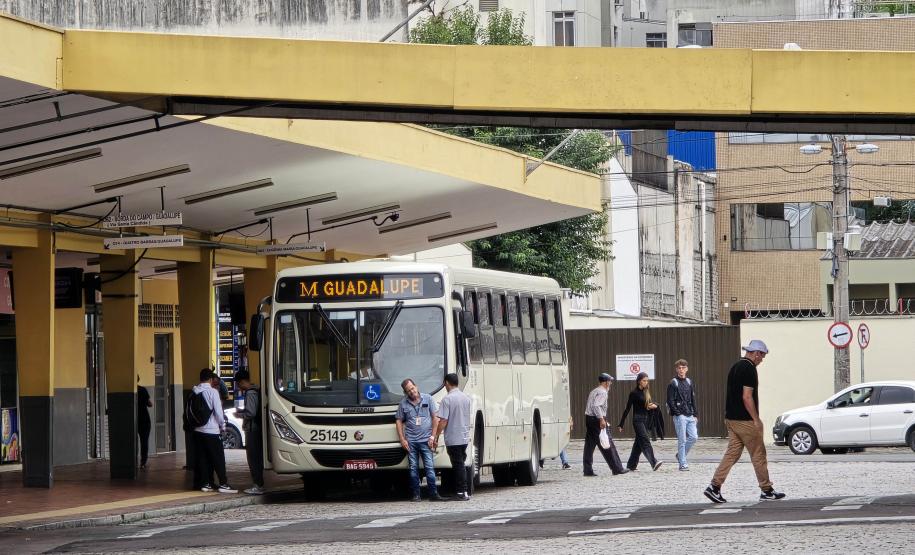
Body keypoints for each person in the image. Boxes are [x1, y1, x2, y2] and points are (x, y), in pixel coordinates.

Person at [704, 340, 786, 504]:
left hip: (731, 418)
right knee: (759, 454)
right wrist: (756, 419)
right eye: (762, 356)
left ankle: (714, 487)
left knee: (732, 454)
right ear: (756, 353)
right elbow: (747, 396)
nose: (762, 359)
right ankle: (767, 490)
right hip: (745, 420)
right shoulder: (749, 369)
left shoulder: (735, 366)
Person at [395, 378, 445, 501]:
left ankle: (433, 494)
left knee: (429, 467)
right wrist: (402, 439)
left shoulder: (428, 398)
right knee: (413, 469)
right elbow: (398, 420)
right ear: (405, 393)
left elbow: (435, 418)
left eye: (412, 388)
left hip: (426, 440)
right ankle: (416, 495)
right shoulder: (403, 404)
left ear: (416, 386)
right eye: (408, 391)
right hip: (411, 442)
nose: (411, 392)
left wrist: (433, 436)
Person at [193, 368, 237, 494]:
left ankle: (205, 483)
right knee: (218, 458)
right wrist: (222, 426)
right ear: (211, 379)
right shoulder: (212, 392)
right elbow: (218, 412)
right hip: (212, 431)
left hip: (198, 430)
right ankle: (223, 483)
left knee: (203, 458)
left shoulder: (194, 391)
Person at [433, 373, 473, 501]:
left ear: (447, 383)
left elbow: (443, 421)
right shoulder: (466, 398)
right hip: (464, 436)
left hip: (453, 438)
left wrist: (436, 436)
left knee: (458, 465)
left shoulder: (447, 399)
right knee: (461, 463)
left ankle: (462, 492)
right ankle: (465, 491)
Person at [582, 373, 627, 476]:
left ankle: (587, 470)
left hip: (589, 419)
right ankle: (617, 468)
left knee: (589, 445)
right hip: (597, 420)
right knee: (607, 443)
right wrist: (601, 419)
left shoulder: (594, 391)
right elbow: (596, 406)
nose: (610, 383)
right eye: (610, 381)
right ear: (606, 382)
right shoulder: (603, 392)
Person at [618, 372, 663, 472]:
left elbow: (648, 405)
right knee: (645, 440)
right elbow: (627, 409)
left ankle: (631, 465)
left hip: (645, 420)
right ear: (639, 381)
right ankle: (654, 462)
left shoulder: (646, 392)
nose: (646, 382)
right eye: (644, 380)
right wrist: (621, 423)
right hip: (637, 420)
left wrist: (655, 405)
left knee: (638, 445)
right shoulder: (634, 393)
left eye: (647, 381)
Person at [234, 370, 264, 495]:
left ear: (241, 382)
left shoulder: (250, 393)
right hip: (256, 428)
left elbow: (251, 413)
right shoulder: (256, 390)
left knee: (253, 458)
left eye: (238, 384)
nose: (238, 387)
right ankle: (258, 484)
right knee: (256, 457)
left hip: (253, 429)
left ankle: (258, 485)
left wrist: (239, 414)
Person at [666, 359, 699, 471]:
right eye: (679, 368)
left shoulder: (689, 382)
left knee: (694, 437)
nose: (681, 370)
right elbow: (670, 400)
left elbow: (692, 398)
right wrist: (678, 413)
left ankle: (680, 456)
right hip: (680, 415)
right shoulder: (673, 382)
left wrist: (695, 414)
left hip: (690, 414)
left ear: (687, 369)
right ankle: (683, 464)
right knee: (682, 440)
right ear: (676, 369)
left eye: (683, 367)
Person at [137, 376, 153, 469]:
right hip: (144, 419)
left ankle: (132, 460)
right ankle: (143, 462)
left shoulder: (131, 392)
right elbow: (150, 404)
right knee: (144, 442)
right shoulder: (142, 390)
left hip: (134, 419)